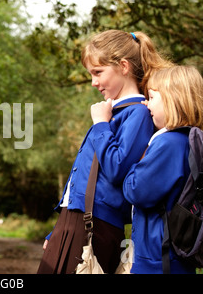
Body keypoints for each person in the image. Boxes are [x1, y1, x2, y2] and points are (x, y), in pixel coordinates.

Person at [37, 30, 173, 274]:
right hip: (75, 220)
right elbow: (86, 178)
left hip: (97, 224)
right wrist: (59, 228)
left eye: (98, 72)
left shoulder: (138, 113)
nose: (93, 82)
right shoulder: (113, 112)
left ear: (123, 66)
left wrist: (100, 124)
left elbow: (118, 169)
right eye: (91, 74)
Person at [123, 66, 203, 274]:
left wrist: (135, 161)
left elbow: (136, 191)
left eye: (151, 97)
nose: (146, 104)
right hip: (176, 254)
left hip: (158, 258)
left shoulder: (168, 143)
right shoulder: (190, 139)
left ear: (172, 99)